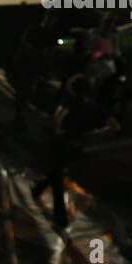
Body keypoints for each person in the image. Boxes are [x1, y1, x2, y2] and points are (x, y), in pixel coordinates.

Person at [31, 76, 116, 230]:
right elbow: (115, 126)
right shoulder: (96, 107)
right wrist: (94, 134)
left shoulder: (70, 103)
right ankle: (37, 191)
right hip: (77, 146)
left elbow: (56, 121)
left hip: (61, 143)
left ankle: (60, 219)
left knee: (56, 178)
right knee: (55, 172)